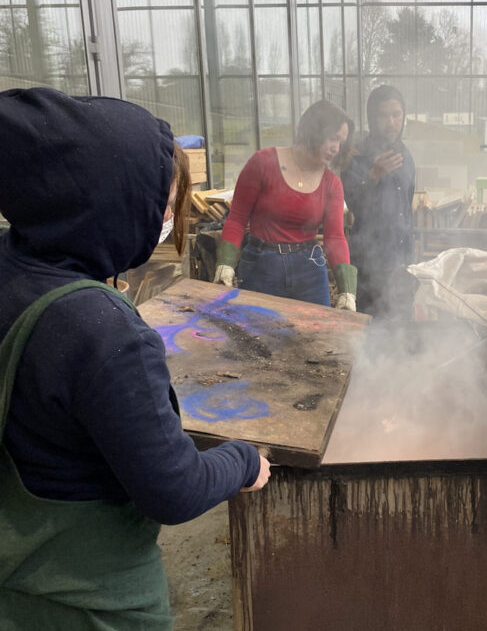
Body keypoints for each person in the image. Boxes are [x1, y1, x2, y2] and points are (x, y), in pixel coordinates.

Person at [0, 87, 270, 627]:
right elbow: (173, 489)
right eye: (163, 201)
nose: (167, 216)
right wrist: (242, 461)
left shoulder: (12, 266)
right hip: (91, 605)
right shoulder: (101, 332)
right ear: (110, 199)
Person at [214, 100, 357, 311]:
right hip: (261, 265)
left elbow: (335, 237)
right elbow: (237, 218)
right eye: (333, 138)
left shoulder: (332, 184)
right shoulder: (262, 163)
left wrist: (347, 290)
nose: (336, 148)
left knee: (317, 339)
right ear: (314, 130)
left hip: (309, 269)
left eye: (341, 142)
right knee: (257, 337)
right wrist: (225, 263)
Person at [341, 85, 417, 318]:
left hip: (401, 261)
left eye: (397, 115)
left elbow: (407, 207)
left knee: (401, 328)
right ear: (371, 118)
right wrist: (373, 175)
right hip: (368, 262)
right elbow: (352, 204)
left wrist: (410, 257)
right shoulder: (356, 155)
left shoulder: (406, 155)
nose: (391, 122)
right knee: (370, 330)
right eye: (384, 115)